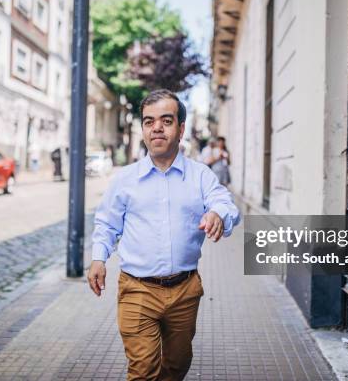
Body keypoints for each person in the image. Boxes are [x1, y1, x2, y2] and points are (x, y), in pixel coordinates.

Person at [88, 89, 241, 380]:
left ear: (181, 128)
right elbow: (107, 224)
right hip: (137, 289)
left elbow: (226, 204)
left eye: (166, 120)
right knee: (143, 370)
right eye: (149, 121)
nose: (156, 127)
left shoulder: (200, 176)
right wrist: (98, 259)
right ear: (143, 129)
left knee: (176, 365)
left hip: (185, 290)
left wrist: (218, 214)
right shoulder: (125, 180)